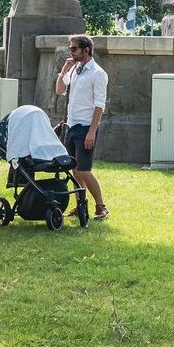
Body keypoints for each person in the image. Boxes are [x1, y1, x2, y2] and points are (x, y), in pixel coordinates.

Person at [54, 34, 110, 219]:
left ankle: (101, 206)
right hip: (71, 125)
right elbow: (60, 90)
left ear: (86, 50)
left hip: (86, 126)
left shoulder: (97, 73)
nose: (71, 52)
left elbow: (99, 105)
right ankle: (80, 206)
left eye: (74, 49)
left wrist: (92, 131)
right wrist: (64, 70)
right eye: (70, 48)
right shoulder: (74, 70)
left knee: (84, 169)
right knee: (75, 169)